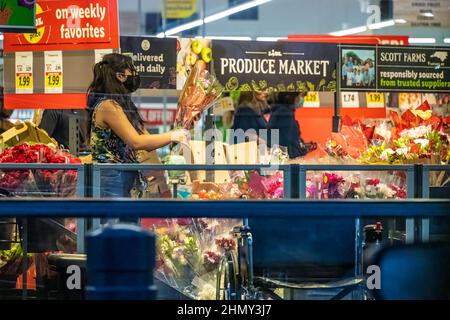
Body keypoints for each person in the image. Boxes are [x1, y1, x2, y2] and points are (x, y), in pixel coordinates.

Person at [87, 53, 187, 219]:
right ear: (120, 76)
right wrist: (173, 135)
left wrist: (180, 128)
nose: (135, 76)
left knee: (126, 227)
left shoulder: (121, 105)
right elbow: (136, 142)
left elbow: (146, 139)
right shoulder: (108, 106)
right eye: (131, 71)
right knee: (115, 230)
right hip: (111, 177)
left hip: (123, 175)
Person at [268, 92, 307, 159]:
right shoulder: (285, 113)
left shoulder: (280, 111)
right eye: (301, 95)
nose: (302, 99)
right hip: (286, 160)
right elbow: (287, 142)